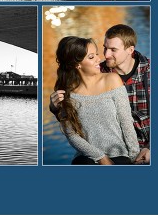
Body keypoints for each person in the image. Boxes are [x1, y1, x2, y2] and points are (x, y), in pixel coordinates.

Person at [51, 24, 150, 164]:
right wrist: (56, 109)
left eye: (113, 49)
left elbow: (126, 122)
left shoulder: (150, 73)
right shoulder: (97, 70)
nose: (105, 55)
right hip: (91, 156)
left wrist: (147, 149)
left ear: (130, 50)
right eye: (104, 48)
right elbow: (71, 130)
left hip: (139, 150)